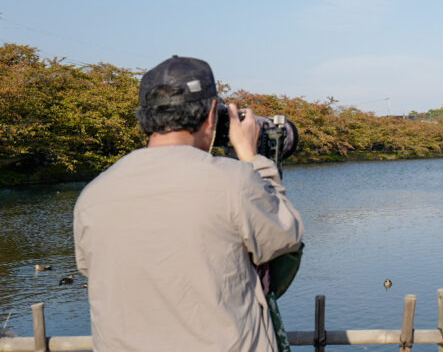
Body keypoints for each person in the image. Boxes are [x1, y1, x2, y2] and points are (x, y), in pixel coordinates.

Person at [74, 55, 304, 352]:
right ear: (212, 114)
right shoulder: (234, 182)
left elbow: (88, 268)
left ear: (144, 116)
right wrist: (253, 159)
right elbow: (287, 236)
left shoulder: (93, 196)